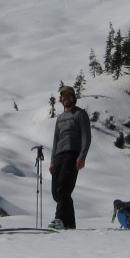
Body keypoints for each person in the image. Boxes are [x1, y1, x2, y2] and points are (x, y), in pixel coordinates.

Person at [49, 86, 91, 230]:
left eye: (68, 95)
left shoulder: (80, 114)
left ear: (73, 97)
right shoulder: (60, 118)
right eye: (63, 96)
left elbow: (86, 136)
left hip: (72, 154)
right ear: (61, 99)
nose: (66, 98)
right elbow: (55, 140)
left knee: (63, 189)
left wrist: (82, 156)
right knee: (57, 193)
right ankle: (69, 224)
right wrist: (52, 161)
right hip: (58, 156)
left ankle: (59, 219)